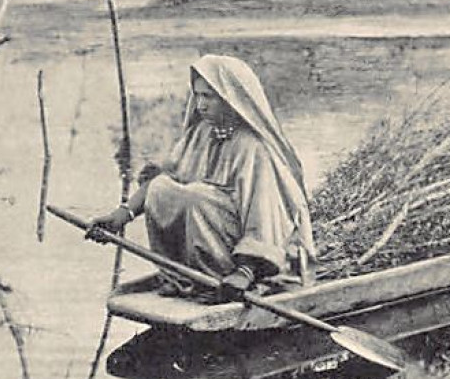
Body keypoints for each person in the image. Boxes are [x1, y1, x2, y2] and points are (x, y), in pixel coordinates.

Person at [86, 54, 315, 298]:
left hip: (243, 255)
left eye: (209, 97)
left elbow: (263, 218)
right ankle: (182, 276)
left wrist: (246, 271)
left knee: (197, 195)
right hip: (208, 236)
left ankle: (221, 276)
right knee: (161, 187)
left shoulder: (253, 148)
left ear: (230, 99)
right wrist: (120, 216)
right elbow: (163, 179)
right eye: (197, 95)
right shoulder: (200, 135)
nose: (200, 105)